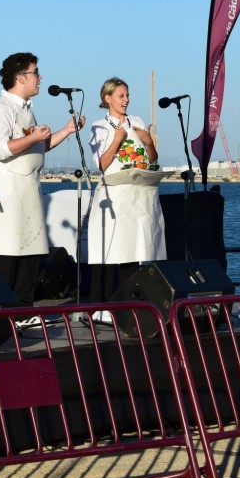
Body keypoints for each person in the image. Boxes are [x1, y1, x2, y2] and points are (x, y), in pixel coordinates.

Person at [0, 52, 83, 311]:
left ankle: (23, 308)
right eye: (36, 72)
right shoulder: (0, 110)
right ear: (20, 77)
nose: (40, 77)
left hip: (27, 187)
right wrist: (32, 137)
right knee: (6, 250)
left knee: (30, 247)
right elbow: (0, 149)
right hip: (3, 189)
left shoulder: (26, 110)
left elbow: (41, 146)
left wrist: (67, 130)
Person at [86, 76, 166, 312]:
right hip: (114, 196)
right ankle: (102, 307)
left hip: (138, 195)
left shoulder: (138, 121)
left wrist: (149, 142)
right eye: (121, 96)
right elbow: (101, 163)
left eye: (127, 95)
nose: (126, 100)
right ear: (107, 98)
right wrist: (117, 139)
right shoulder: (99, 127)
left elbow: (152, 159)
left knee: (135, 249)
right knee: (110, 251)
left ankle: (130, 305)